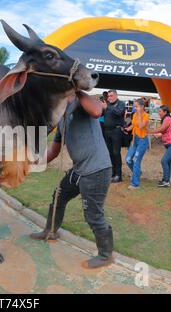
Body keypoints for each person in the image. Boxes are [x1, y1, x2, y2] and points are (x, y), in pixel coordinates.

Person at [30, 91, 114, 269]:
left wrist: (76, 90)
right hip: (78, 170)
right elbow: (53, 151)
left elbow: (98, 111)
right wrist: (34, 161)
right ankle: (50, 231)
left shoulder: (83, 104)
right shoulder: (62, 120)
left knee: (93, 215)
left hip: (96, 171)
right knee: (58, 196)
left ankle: (106, 255)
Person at [147, 105, 171, 187]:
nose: (158, 113)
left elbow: (161, 129)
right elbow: (164, 131)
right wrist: (159, 135)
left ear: (165, 112)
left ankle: (166, 181)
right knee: (167, 162)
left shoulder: (167, 119)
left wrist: (149, 131)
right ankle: (166, 180)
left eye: (160, 111)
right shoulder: (166, 119)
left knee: (164, 161)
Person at [124, 98, 150, 190]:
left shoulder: (146, 116)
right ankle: (137, 173)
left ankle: (135, 184)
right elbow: (134, 125)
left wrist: (139, 114)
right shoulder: (134, 114)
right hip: (135, 140)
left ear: (142, 107)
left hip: (143, 141)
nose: (135, 108)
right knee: (128, 159)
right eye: (134, 106)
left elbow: (141, 125)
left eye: (136, 106)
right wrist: (128, 129)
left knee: (135, 161)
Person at [103, 89, 125, 183]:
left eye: (111, 96)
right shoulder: (107, 105)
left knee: (116, 153)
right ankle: (112, 173)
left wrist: (107, 106)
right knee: (109, 153)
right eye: (108, 96)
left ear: (116, 96)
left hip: (116, 131)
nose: (109, 98)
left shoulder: (121, 104)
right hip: (107, 131)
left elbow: (119, 112)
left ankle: (118, 175)